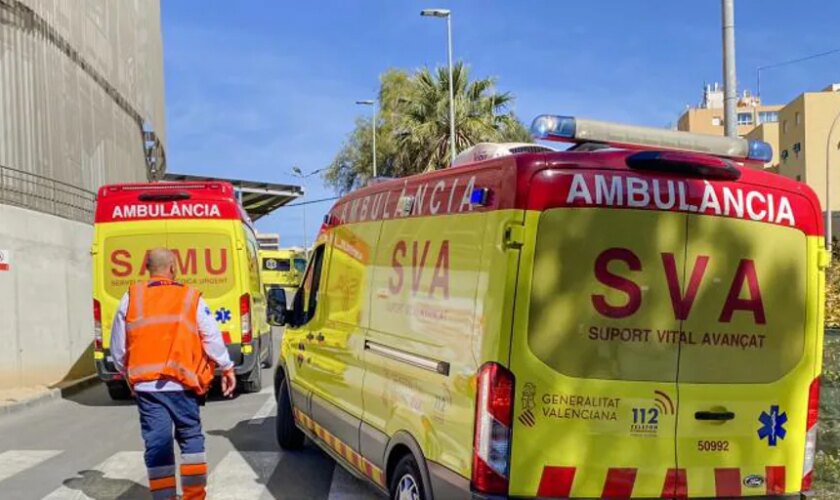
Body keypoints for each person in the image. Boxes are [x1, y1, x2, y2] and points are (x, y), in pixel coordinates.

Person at [110, 248, 236, 500]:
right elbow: (211, 337)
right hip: (183, 385)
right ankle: (194, 496)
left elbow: (118, 349)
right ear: (172, 268)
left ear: (147, 269)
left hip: (147, 388)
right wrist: (227, 366)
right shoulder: (191, 298)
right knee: (190, 439)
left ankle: (164, 497)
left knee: (157, 444)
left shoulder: (131, 298)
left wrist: (126, 372)